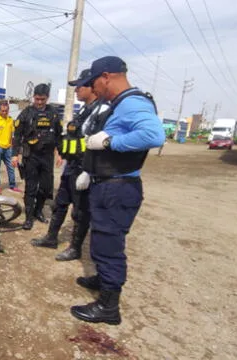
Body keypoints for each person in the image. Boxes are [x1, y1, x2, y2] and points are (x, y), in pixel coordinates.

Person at [68, 56, 165, 325]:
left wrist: (111, 141)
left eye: (94, 82)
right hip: (108, 184)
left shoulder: (132, 102)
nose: (93, 89)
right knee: (101, 241)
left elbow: (154, 135)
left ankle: (109, 308)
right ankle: (103, 279)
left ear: (107, 76)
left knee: (109, 246)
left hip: (118, 189)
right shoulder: (118, 104)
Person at [31, 70, 109, 260]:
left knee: (80, 210)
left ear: (91, 86)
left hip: (85, 168)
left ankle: (75, 247)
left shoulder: (103, 110)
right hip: (72, 166)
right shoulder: (83, 109)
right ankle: (51, 237)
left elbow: (101, 144)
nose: (75, 90)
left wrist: (89, 172)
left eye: (79, 86)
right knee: (60, 204)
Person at [12, 84, 63, 230]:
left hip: (47, 157)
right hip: (31, 156)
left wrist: (60, 153)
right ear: (33, 97)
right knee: (31, 188)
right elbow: (17, 136)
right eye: (37, 99)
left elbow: (59, 135)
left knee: (46, 188)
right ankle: (28, 218)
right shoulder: (26, 113)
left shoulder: (53, 113)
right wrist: (15, 155)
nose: (39, 102)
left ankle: (38, 211)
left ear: (47, 98)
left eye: (43, 99)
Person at [0, 103, 21, 195]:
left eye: (6, 111)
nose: (4, 112)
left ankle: (12, 186)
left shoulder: (10, 120)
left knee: (11, 167)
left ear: (8, 110)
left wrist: (12, 145)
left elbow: (12, 134)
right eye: (2, 111)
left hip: (8, 148)